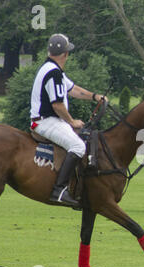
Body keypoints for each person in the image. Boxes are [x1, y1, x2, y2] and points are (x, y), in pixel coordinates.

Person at [30, 33, 109, 206]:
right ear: (65, 54)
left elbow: (73, 90)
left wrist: (95, 96)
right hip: (45, 121)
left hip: (47, 120)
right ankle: (59, 190)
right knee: (78, 146)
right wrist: (72, 122)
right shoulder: (54, 73)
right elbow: (57, 105)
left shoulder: (51, 69)